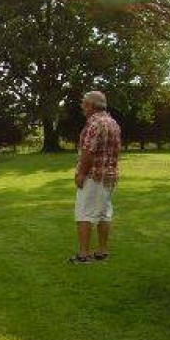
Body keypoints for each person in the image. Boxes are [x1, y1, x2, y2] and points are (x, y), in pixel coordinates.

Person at [70, 90, 121, 264]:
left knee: (83, 213)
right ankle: (102, 251)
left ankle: (83, 255)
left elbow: (88, 152)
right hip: (109, 175)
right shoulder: (113, 123)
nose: (82, 106)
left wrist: (81, 173)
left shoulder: (94, 124)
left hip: (93, 176)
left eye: (84, 103)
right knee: (104, 213)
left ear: (91, 106)